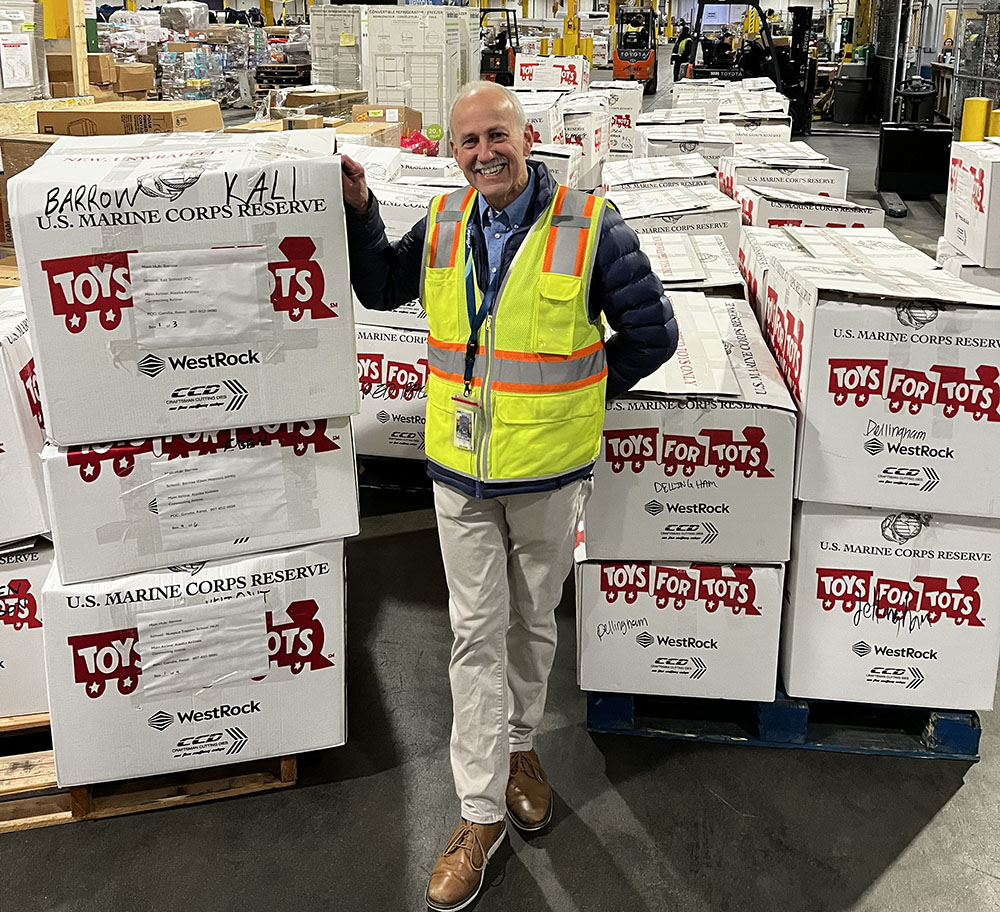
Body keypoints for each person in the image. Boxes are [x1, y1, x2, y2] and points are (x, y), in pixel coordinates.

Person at [341, 81, 678, 912]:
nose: (484, 153)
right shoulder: (446, 222)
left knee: (530, 624)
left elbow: (653, 333)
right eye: (468, 142)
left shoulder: (590, 226)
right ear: (454, 153)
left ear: (526, 137)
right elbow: (382, 286)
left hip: (547, 478)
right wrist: (358, 209)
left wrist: (579, 403)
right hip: (460, 474)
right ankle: (479, 813)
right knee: (473, 636)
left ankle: (522, 746)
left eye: (497, 136)